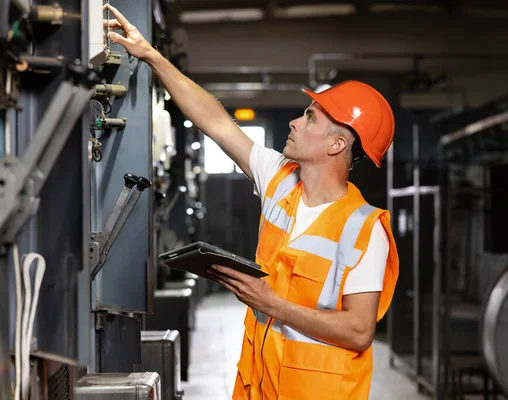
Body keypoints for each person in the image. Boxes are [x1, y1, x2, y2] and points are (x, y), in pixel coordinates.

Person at [104, 5, 399, 399]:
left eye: (310, 118)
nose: (295, 122)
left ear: (337, 144)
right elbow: (217, 121)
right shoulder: (280, 180)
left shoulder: (364, 229)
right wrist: (152, 56)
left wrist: (272, 304)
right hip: (258, 387)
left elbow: (359, 331)